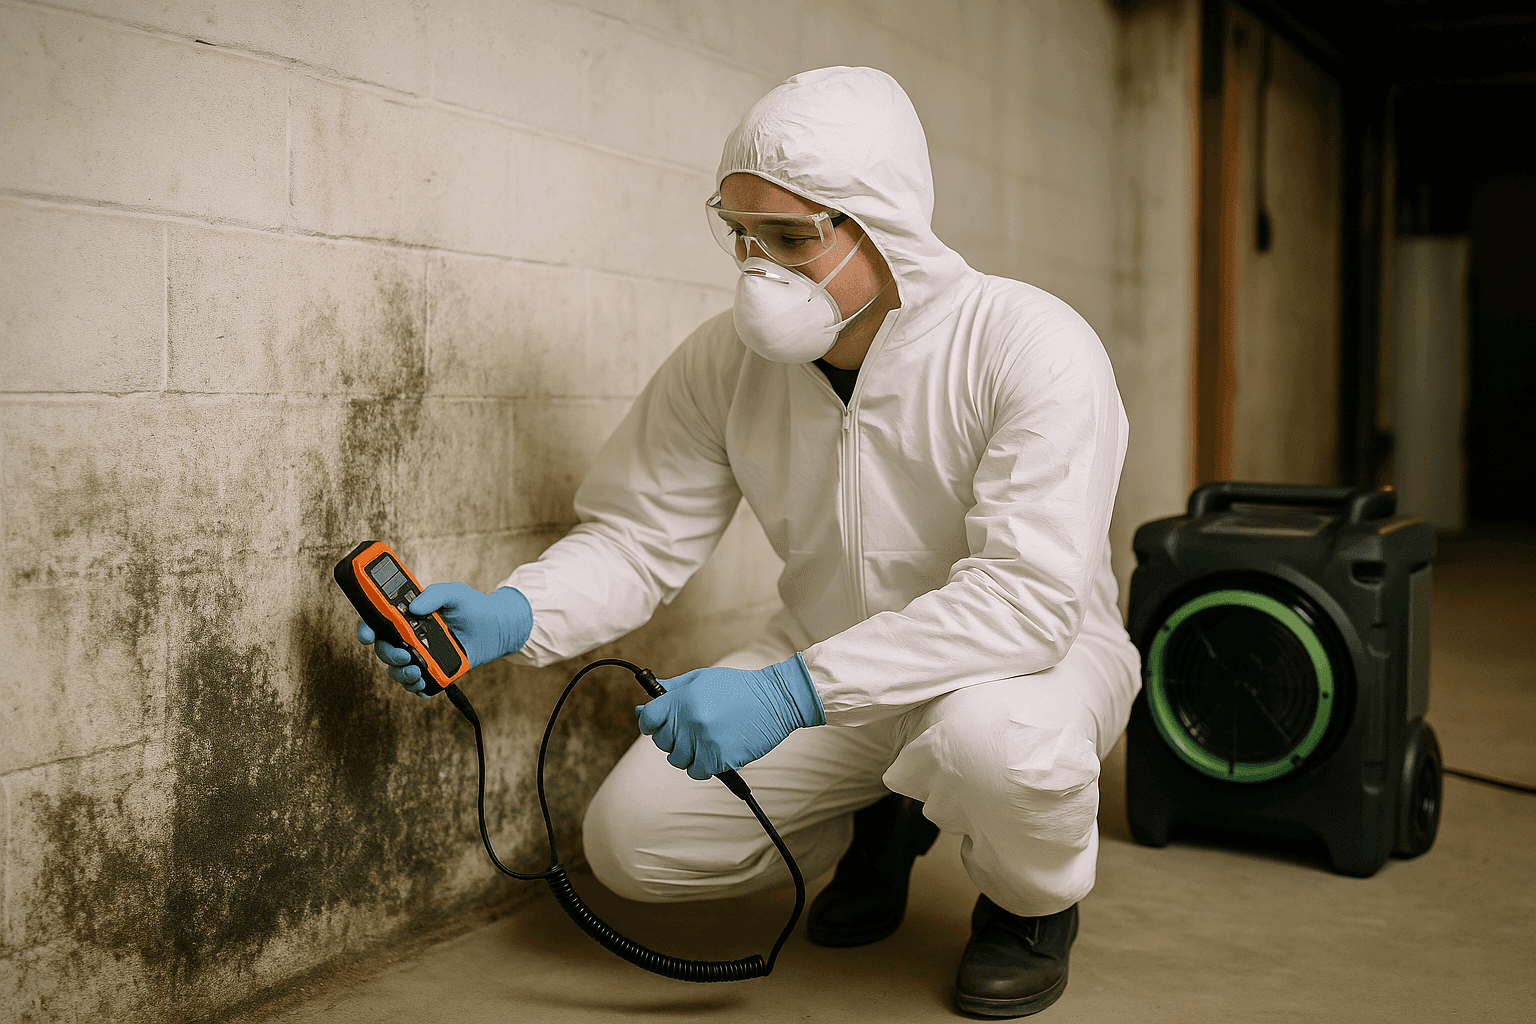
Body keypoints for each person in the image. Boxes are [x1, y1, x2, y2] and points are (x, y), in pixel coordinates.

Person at [358, 66, 1139, 1018]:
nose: (759, 268)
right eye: (741, 236)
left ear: (878, 221)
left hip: (1020, 668)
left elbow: (1026, 601)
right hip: (824, 655)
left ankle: (1027, 907)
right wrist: (516, 612)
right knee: (635, 844)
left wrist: (786, 693)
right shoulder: (723, 365)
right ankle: (880, 818)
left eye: (791, 238)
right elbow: (642, 535)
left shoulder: (1030, 346)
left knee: (1000, 749)